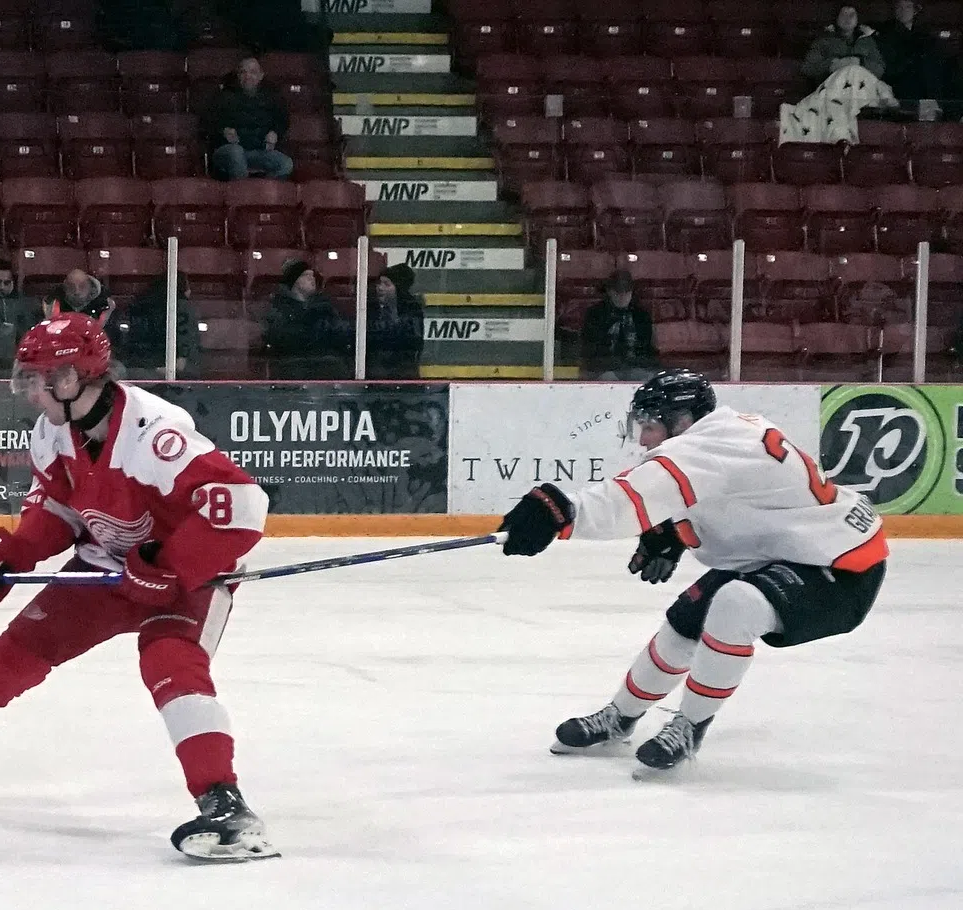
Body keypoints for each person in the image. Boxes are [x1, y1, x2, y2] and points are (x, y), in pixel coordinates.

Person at [0, 316, 279, 861]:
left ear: (78, 378)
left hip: (183, 579)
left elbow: (243, 506)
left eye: (43, 378)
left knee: (170, 666)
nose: (32, 390)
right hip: (105, 566)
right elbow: (56, 512)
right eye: (28, 378)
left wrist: (170, 564)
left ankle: (227, 806)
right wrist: (12, 553)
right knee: (12, 655)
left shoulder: (154, 431)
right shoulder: (52, 432)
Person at [498, 369, 888, 776]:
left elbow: (629, 500)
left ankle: (691, 726)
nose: (644, 437)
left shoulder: (710, 445)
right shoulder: (724, 434)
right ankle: (621, 718)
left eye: (650, 425)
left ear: (682, 420)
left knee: (734, 606)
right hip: (784, 551)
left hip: (841, 566)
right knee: (684, 622)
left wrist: (561, 513)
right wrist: (676, 532)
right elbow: (738, 498)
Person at [201, 55, 293, 182]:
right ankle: (241, 198)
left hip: (259, 151)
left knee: (285, 163)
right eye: (243, 72)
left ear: (261, 76)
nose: (247, 76)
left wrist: (275, 132)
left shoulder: (271, 97)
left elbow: (283, 120)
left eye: (253, 72)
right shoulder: (224, 96)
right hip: (229, 150)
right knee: (236, 153)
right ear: (238, 76)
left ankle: (262, 195)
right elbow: (207, 122)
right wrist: (223, 130)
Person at [263, 260, 349, 378]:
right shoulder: (279, 306)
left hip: (323, 360)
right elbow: (279, 337)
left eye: (312, 275)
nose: (312, 279)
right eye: (306, 275)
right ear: (294, 281)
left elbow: (339, 331)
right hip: (292, 362)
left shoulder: (324, 305)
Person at [577, 270, 658, 381]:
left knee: (647, 378)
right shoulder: (595, 315)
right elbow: (590, 349)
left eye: (626, 292)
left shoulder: (641, 316)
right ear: (609, 292)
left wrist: (640, 362)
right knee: (608, 378)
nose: (622, 296)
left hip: (635, 367)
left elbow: (649, 349)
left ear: (632, 293)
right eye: (618, 292)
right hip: (603, 368)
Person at [116, 272, 201, 378]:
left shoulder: (138, 306)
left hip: (136, 370)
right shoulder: (181, 307)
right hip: (167, 376)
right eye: (188, 286)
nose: (190, 291)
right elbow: (183, 355)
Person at [874, 1, 953, 112]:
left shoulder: (924, 35)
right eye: (899, 7)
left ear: (914, 11)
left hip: (924, 88)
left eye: (908, 7)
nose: (903, 10)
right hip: (900, 86)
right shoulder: (886, 34)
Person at [364, 265, 425, 379]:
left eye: (386, 284)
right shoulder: (369, 307)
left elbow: (413, 341)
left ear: (399, 287)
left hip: (402, 373)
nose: (380, 288)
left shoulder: (411, 309)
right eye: (379, 283)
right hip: (374, 372)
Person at [803, 5, 886, 84]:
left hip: (862, 88)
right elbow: (808, 68)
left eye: (852, 15)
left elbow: (880, 68)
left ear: (857, 19)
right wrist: (831, 65)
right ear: (836, 18)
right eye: (843, 15)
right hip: (832, 88)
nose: (847, 18)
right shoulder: (823, 40)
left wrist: (860, 62)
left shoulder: (867, 41)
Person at [44, 267, 118, 331]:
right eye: (71, 287)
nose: (77, 291)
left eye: (82, 286)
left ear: (91, 287)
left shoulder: (107, 307)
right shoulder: (50, 306)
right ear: (65, 288)